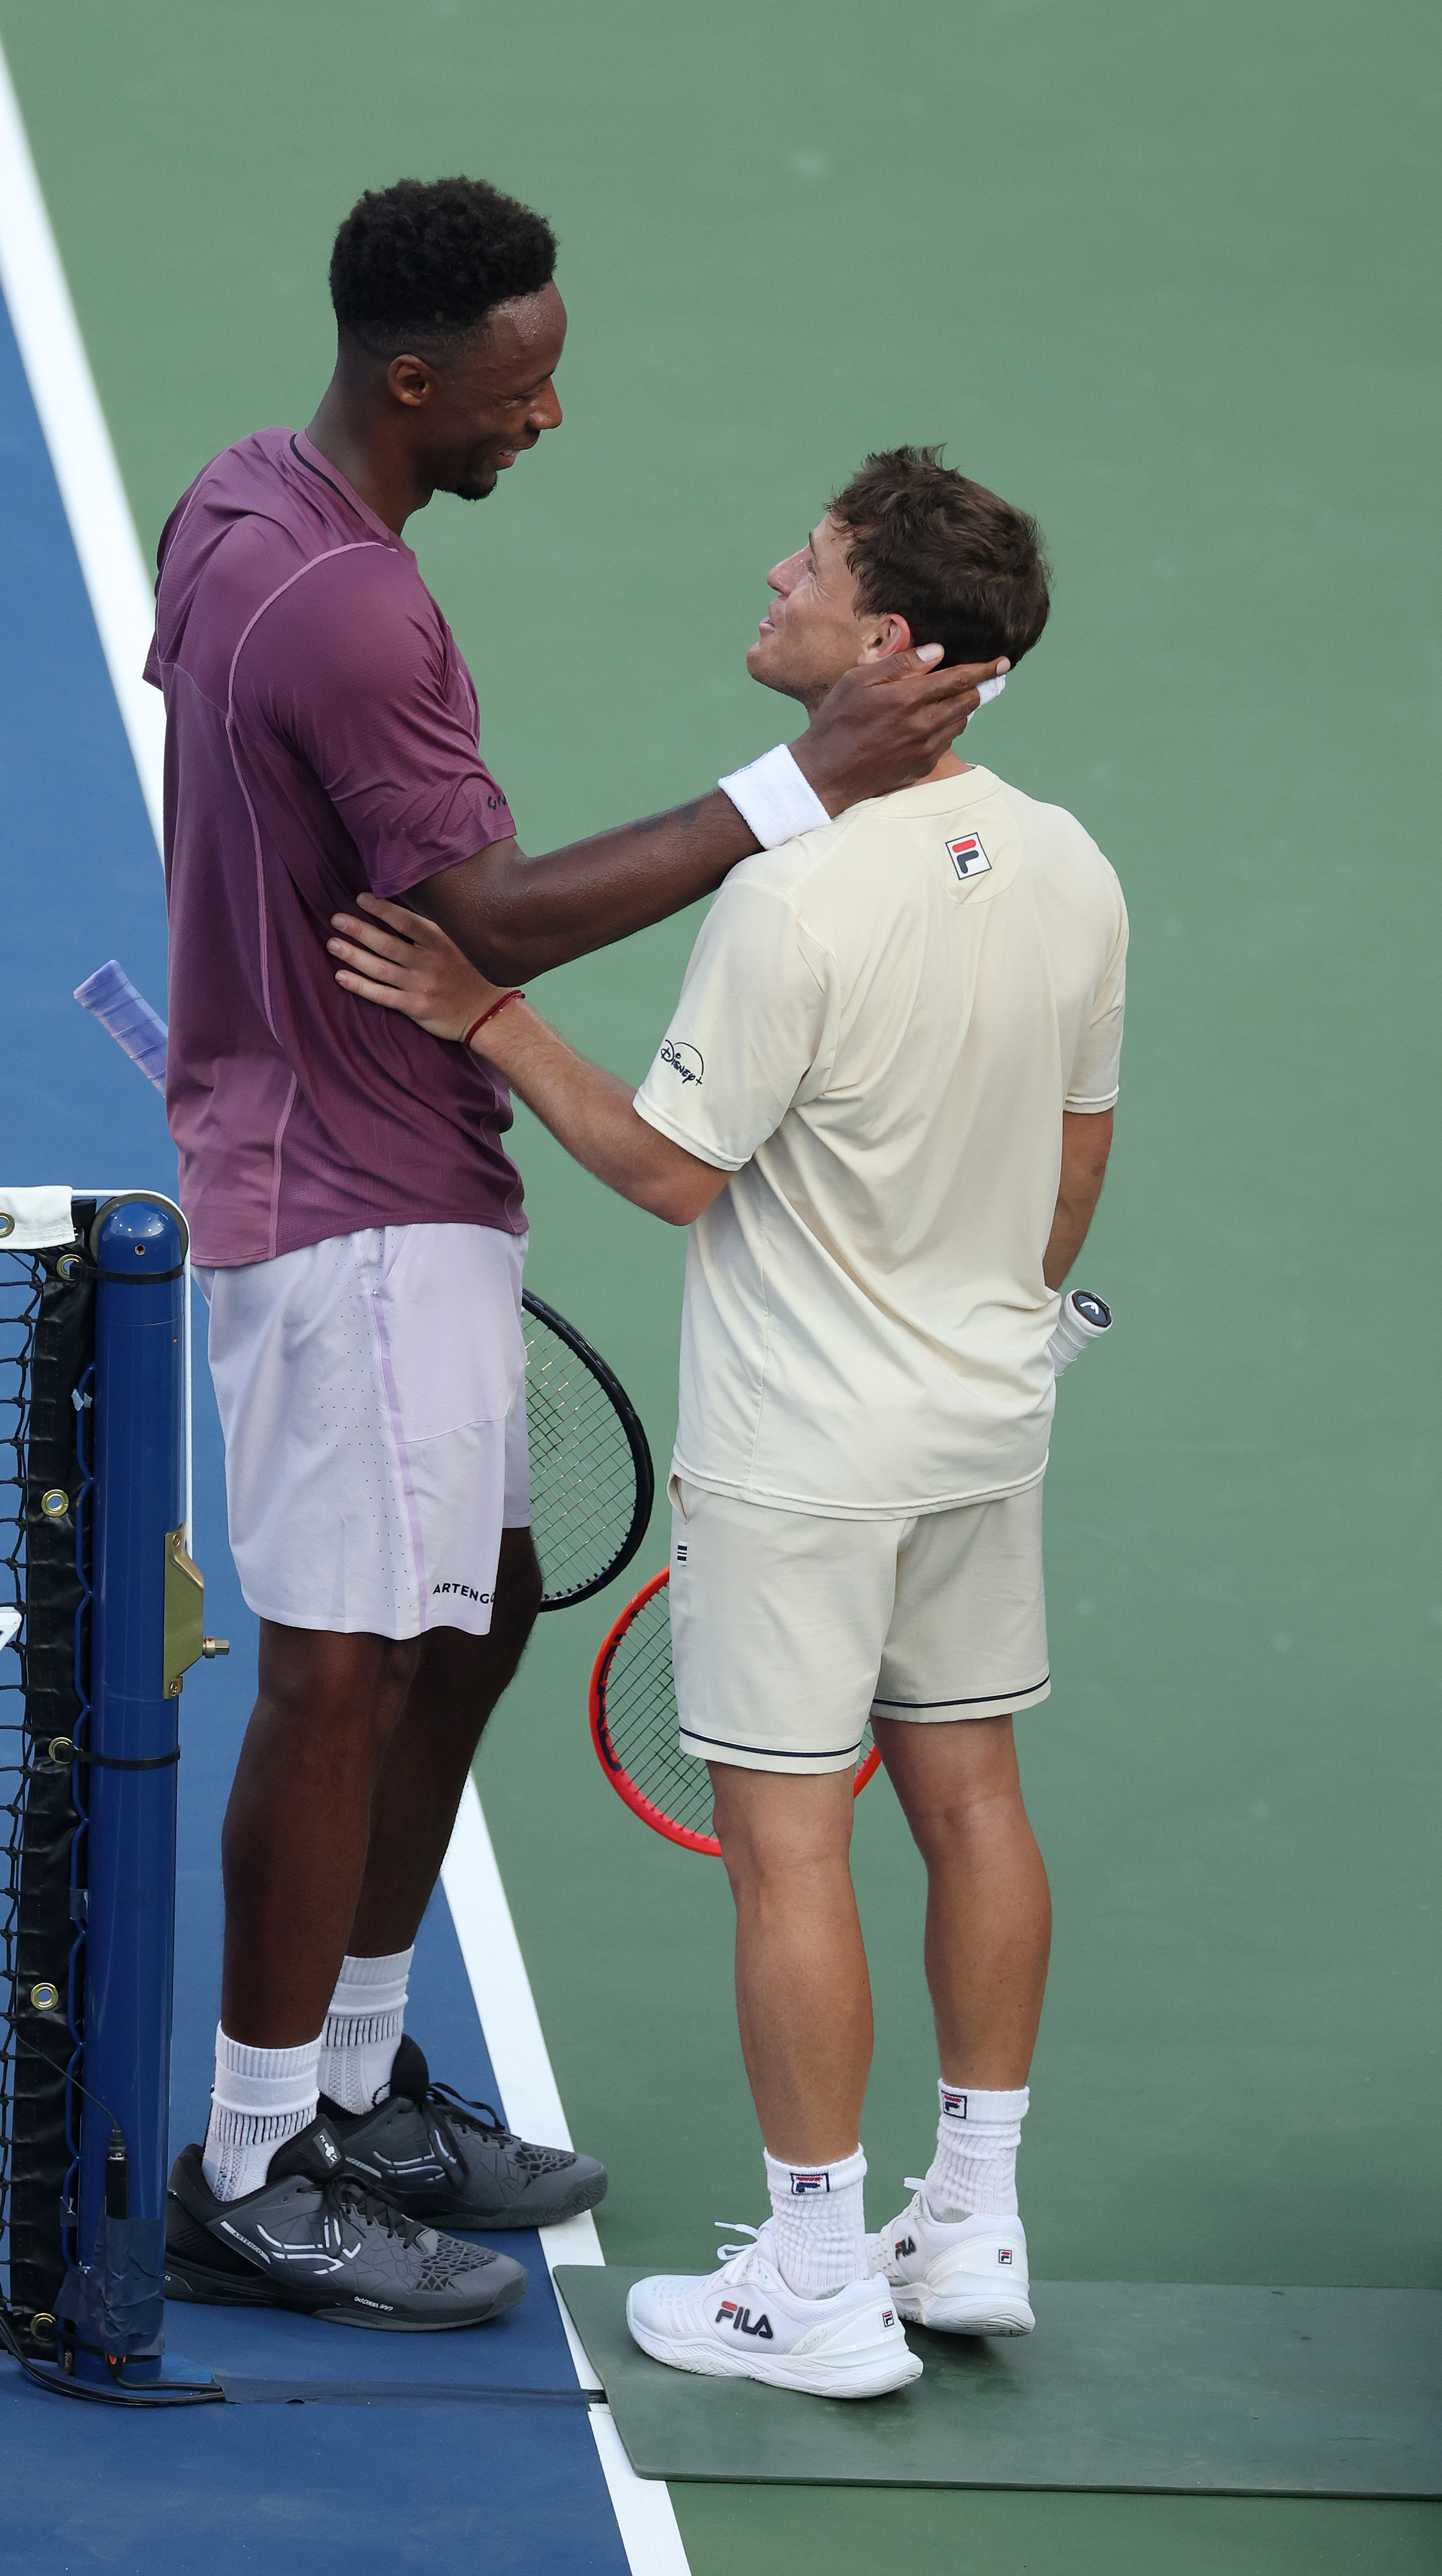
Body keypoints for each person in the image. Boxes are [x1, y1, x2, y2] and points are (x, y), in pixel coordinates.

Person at [146, 172, 1004, 2336]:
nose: (550, 416)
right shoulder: (358, 614)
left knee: (475, 1619)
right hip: (344, 1192)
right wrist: (794, 783)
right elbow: (488, 919)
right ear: (413, 377)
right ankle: (254, 2160)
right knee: (342, 1665)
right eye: (518, 388)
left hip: (369, 1160)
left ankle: (350, 2078)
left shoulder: (246, 510)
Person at [329, 445, 1126, 2390]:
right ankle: (975, 2215)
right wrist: (989, 1329)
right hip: (982, 1421)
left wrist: (486, 1008)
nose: (772, 572)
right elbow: (1075, 1153)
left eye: (816, 561)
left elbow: (671, 1167)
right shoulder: (1068, 858)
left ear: (887, 641)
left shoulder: (795, 900)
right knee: (972, 1801)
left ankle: (816, 2281)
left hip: (802, 1457)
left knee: (788, 1853)